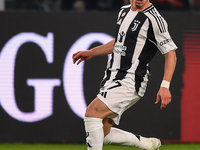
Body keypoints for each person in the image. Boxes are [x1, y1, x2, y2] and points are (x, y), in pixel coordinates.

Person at [72, 0, 177, 149]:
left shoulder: (154, 20)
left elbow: (170, 54)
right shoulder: (124, 11)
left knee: (92, 112)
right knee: (103, 133)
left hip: (131, 79)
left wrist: (165, 85)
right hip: (112, 76)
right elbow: (121, 42)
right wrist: (91, 52)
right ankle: (145, 144)